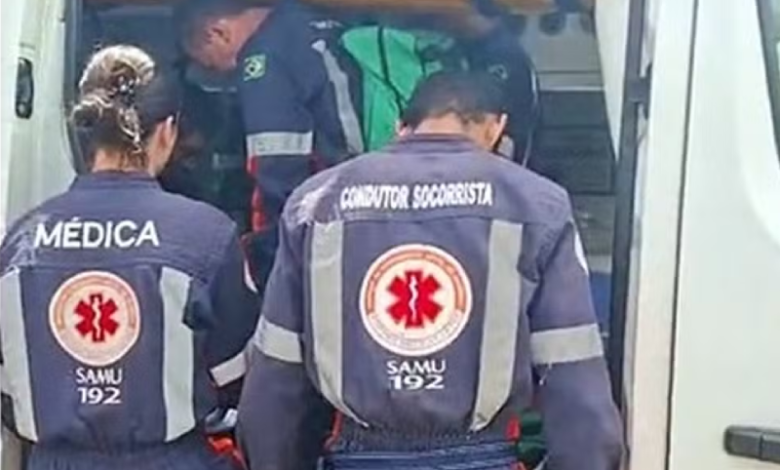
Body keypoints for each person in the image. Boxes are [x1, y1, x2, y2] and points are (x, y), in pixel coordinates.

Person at [236, 71, 624, 470]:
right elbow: (573, 374)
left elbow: (277, 375)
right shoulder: (537, 204)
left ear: (401, 127)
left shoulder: (315, 203)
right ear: (496, 127)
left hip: (360, 455)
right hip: (480, 457)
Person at [0, 45, 259, 470]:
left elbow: (9, 383)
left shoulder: (20, 240)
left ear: (86, 130)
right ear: (168, 131)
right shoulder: (205, 234)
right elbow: (236, 373)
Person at [176, 0, 363, 292]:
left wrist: (267, 259)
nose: (223, 74)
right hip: (367, 203)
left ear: (217, 33)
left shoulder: (261, 61)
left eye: (212, 64)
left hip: (324, 228)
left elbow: (275, 169)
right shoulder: (319, 24)